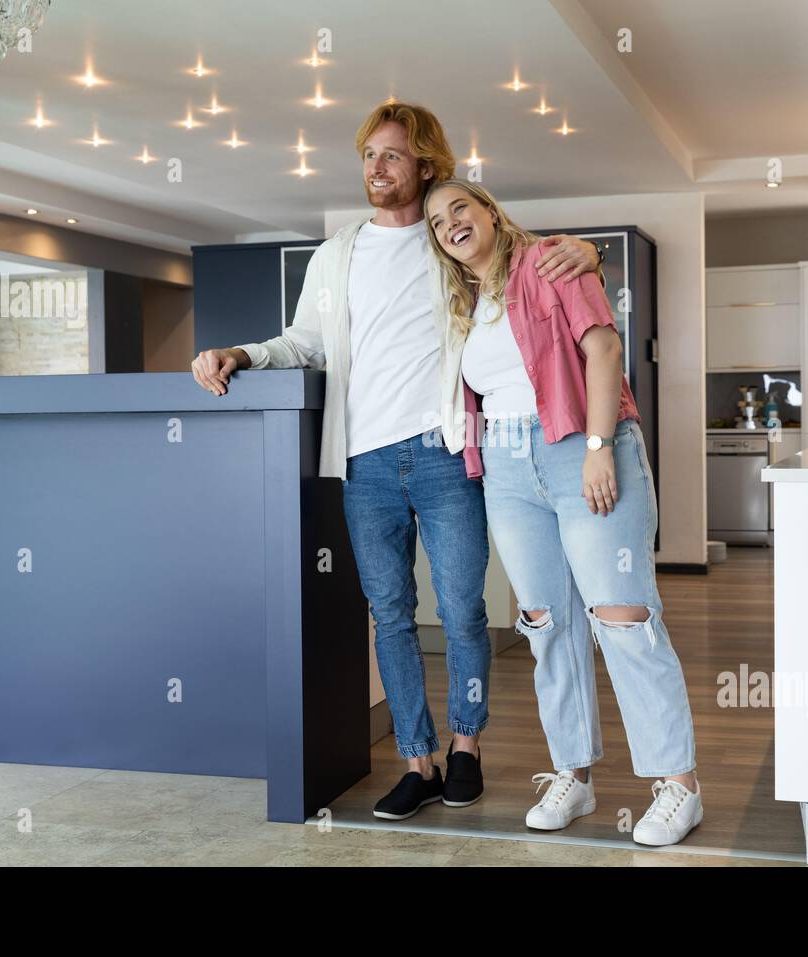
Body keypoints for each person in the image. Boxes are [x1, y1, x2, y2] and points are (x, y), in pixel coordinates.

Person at [190, 103, 600, 820]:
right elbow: (302, 342)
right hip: (365, 465)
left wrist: (588, 253)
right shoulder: (336, 253)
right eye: (368, 155)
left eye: (391, 155)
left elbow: (526, 268)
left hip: (445, 457)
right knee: (390, 614)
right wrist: (242, 354)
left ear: (425, 166)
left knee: (465, 611)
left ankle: (466, 748)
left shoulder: (452, 244)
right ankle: (420, 760)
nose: (375, 168)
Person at [423, 179, 702, 846]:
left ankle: (678, 785)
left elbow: (602, 349)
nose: (451, 223)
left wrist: (600, 447)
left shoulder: (549, 260)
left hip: (579, 444)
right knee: (547, 623)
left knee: (623, 616)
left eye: (461, 206)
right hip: (508, 467)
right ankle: (571, 775)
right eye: (437, 221)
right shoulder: (461, 304)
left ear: (489, 210)